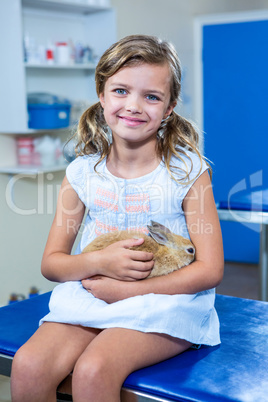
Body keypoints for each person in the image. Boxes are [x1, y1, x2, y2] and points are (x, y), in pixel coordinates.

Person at [11, 34, 224, 402]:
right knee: (28, 365)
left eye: (152, 96)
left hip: (167, 301)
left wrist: (129, 290)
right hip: (95, 295)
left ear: (170, 106)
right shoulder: (82, 172)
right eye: (121, 91)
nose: (134, 106)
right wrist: (98, 262)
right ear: (102, 94)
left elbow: (210, 269)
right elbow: (52, 263)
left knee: (95, 370)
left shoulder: (188, 171)